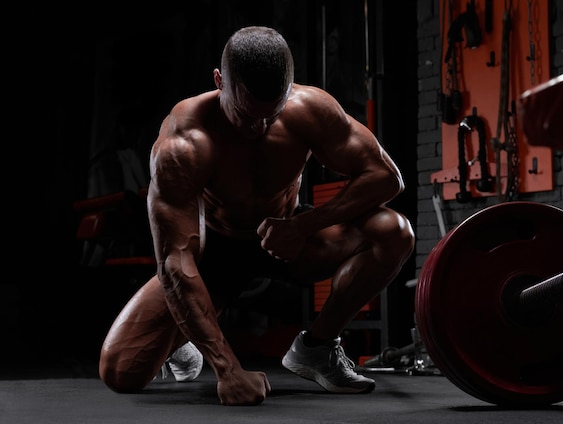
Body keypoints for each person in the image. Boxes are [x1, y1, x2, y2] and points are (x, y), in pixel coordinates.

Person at [99, 25, 415, 406]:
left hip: (288, 238)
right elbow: (174, 260)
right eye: (246, 115)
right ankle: (184, 339)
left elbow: (386, 178)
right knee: (120, 373)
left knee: (394, 231)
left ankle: (317, 347)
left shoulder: (309, 110)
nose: (259, 127)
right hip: (213, 255)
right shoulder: (185, 140)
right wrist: (228, 370)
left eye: (271, 115)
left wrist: (302, 225)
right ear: (219, 81)